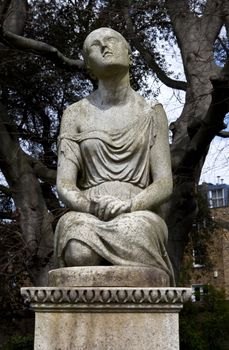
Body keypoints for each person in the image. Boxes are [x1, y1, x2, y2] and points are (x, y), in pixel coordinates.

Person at [54, 27, 175, 285]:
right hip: (87, 212)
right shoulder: (75, 114)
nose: (104, 46)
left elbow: (164, 182)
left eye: (111, 40)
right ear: (89, 66)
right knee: (79, 252)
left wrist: (132, 205)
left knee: (135, 234)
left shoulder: (151, 112)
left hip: (137, 212)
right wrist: (90, 206)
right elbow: (64, 184)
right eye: (94, 46)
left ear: (129, 54)